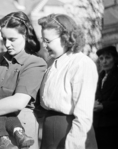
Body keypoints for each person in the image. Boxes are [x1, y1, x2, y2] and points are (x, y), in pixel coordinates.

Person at [0, 11, 47, 149]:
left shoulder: (35, 63)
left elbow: (18, 102)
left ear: (26, 35)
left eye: (12, 39)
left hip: (20, 128)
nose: (7, 44)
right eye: (4, 39)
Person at [38, 14, 98, 149]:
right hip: (51, 131)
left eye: (48, 41)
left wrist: (74, 144)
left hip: (71, 132)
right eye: (43, 40)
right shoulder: (52, 63)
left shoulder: (81, 64)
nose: (44, 45)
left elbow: (84, 114)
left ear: (66, 38)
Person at [93, 46, 118, 149]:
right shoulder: (100, 76)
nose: (104, 62)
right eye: (101, 58)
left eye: (108, 58)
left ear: (115, 59)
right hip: (98, 125)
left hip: (113, 126)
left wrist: (104, 106)